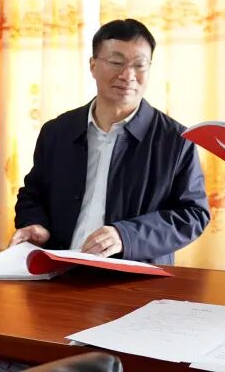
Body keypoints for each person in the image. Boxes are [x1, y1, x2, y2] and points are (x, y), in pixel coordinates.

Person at [12, 19, 209, 264]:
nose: (128, 75)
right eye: (116, 62)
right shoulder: (57, 131)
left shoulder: (176, 141)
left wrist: (125, 236)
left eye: (139, 65)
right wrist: (35, 223)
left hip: (132, 275)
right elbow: (32, 194)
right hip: (58, 268)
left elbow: (193, 215)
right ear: (93, 66)